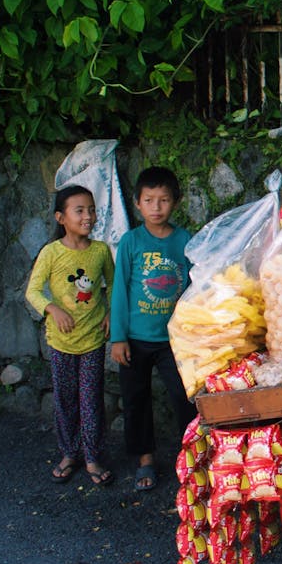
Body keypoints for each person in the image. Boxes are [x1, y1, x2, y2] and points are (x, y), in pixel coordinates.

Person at [26, 185, 116, 486]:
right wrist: (53, 308)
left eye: (91, 209)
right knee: (65, 400)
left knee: (91, 400)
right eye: (79, 210)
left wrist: (110, 314)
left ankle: (92, 457)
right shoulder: (51, 252)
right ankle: (69, 453)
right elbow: (33, 291)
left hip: (92, 339)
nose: (88, 216)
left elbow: (113, 286)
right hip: (61, 342)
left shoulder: (101, 250)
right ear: (61, 217)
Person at [110, 167, 192, 492]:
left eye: (163, 200)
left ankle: (192, 457)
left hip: (173, 341)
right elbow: (119, 292)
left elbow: (195, 288)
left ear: (176, 202)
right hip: (134, 340)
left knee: (184, 398)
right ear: (137, 204)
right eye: (149, 200)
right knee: (136, 400)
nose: (156, 207)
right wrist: (118, 337)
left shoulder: (184, 240)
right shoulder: (130, 242)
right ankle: (144, 460)